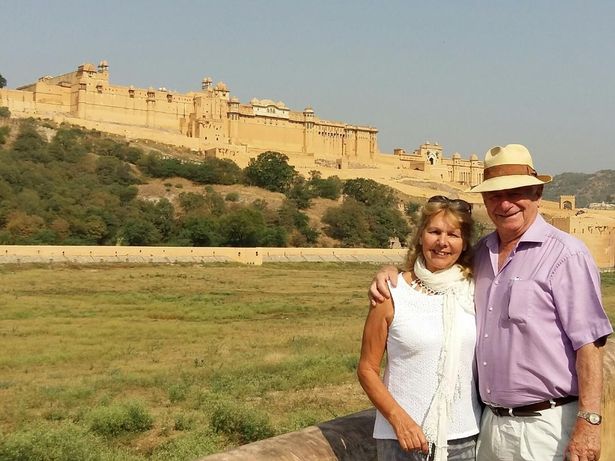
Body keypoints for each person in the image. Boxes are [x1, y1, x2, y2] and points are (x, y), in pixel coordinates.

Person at [369, 144, 613, 461]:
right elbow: (436, 265)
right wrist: (391, 273)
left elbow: (589, 344)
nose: (505, 203)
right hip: (488, 426)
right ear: (485, 200)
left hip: (545, 427)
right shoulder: (481, 255)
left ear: (537, 193)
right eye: (495, 195)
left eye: (516, 193)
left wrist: (589, 422)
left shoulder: (566, 255)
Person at [358, 196, 482, 461]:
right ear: (420, 236)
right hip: (401, 442)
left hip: (463, 440)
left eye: (453, 234)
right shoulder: (391, 293)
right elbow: (367, 369)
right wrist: (399, 420)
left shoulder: (475, 290)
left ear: (464, 243)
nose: (442, 242)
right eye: (434, 232)